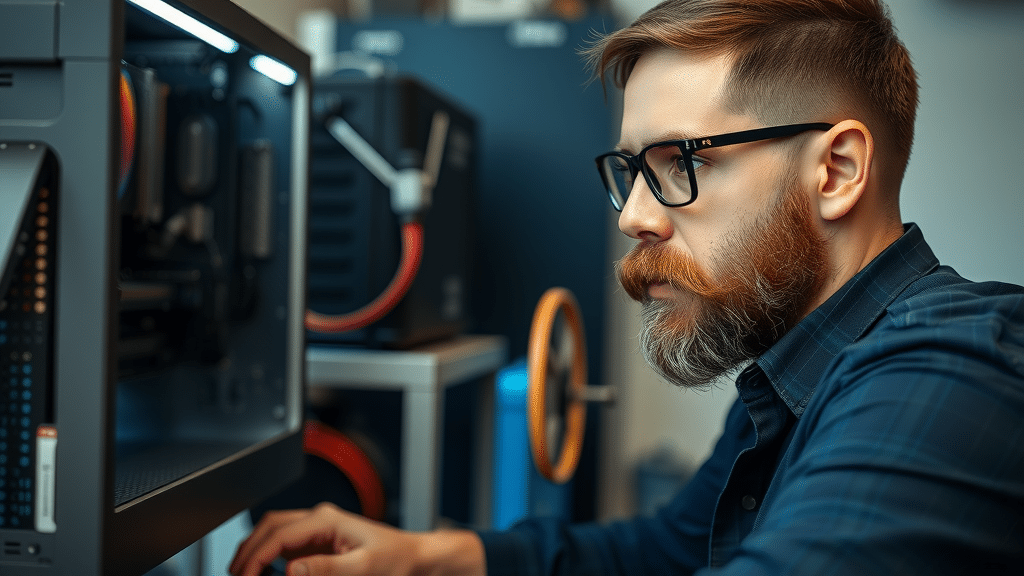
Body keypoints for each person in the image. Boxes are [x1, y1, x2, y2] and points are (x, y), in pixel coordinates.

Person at [230, 0, 1024, 574]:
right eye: (630, 171)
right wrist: (430, 555)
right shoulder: (789, 378)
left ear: (836, 170)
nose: (634, 217)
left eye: (683, 163)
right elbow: (664, 549)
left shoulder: (955, 370)